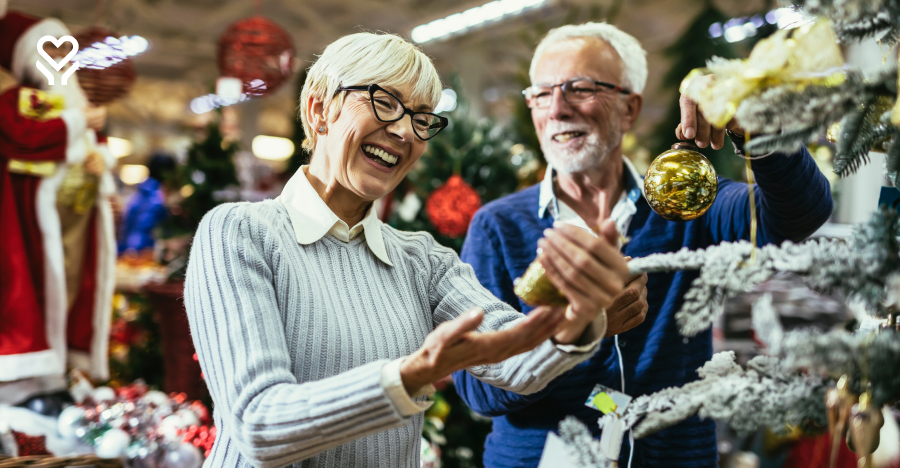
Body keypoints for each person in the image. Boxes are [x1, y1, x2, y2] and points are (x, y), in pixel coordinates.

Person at [184, 32, 630, 468]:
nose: (403, 131)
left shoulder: (423, 261)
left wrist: (576, 320)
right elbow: (259, 425)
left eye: (421, 118)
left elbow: (513, 361)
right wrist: (408, 377)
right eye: (384, 102)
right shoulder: (240, 233)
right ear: (319, 109)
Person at [452, 22, 833, 468]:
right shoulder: (498, 226)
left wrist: (756, 125)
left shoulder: (686, 198)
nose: (557, 107)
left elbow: (799, 215)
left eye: (580, 88)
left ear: (630, 108)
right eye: (541, 93)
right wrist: (580, 328)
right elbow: (477, 388)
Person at [0, 10, 117, 413]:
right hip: (30, 221)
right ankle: (24, 384)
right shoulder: (19, 100)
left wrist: (100, 160)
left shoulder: (75, 100)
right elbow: (21, 136)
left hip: (75, 219)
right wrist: (74, 123)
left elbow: (95, 147)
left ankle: (54, 374)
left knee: (67, 290)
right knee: (32, 292)